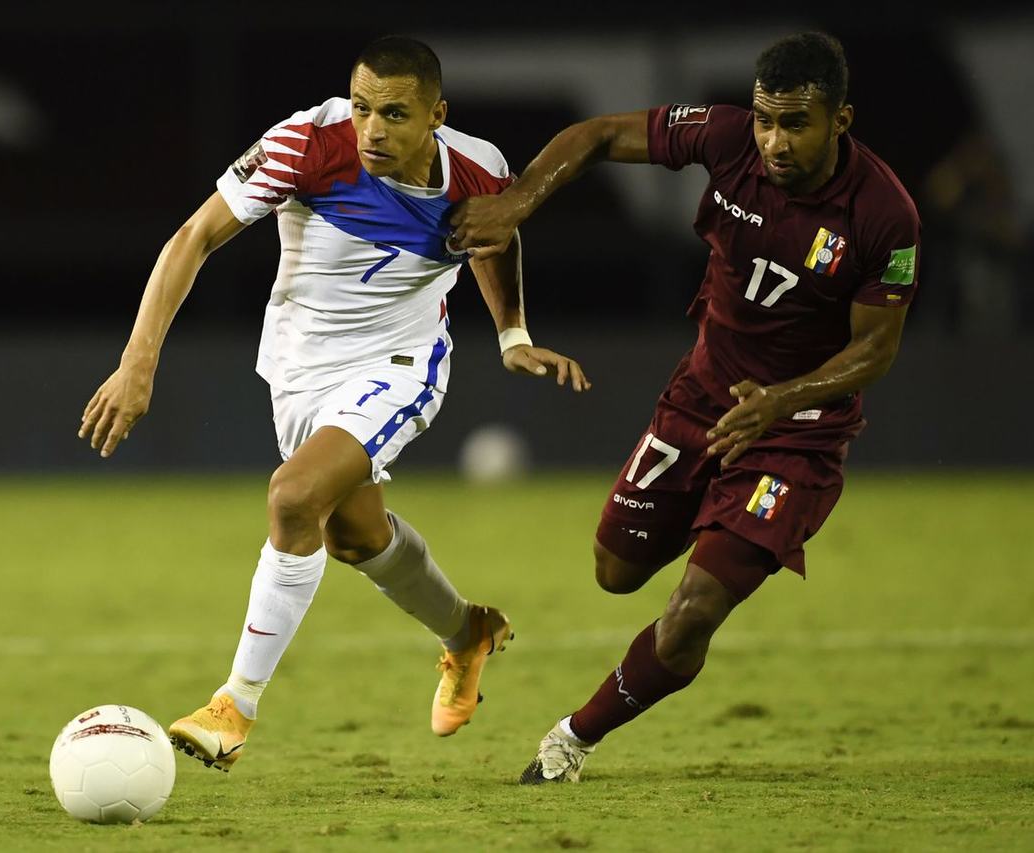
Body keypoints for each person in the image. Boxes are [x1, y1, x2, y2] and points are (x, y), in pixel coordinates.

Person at [77, 36, 589, 774]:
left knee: (293, 498)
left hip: (401, 364)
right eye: (361, 107)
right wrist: (137, 361)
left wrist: (512, 332)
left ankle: (235, 704)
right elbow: (193, 237)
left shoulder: (480, 169)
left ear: (436, 115)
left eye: (394, 113)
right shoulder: (307, 142)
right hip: (297, 369)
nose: (372, 128)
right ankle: (468, 630)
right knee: (351, 533)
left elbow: (494, 235)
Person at [449, 32, 919, 783]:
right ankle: (713, 527)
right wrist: (516, 202)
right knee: (613, 569)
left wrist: (781, 402)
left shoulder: (885, 216)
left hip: (795, 436)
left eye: (795, 123)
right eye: (766, 119)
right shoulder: (726, 135)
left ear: (841, 120)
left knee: (691, 611)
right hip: (700, 398)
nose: (774, 140)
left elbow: (875, 351)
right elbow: (597, 134)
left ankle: (571, 738)